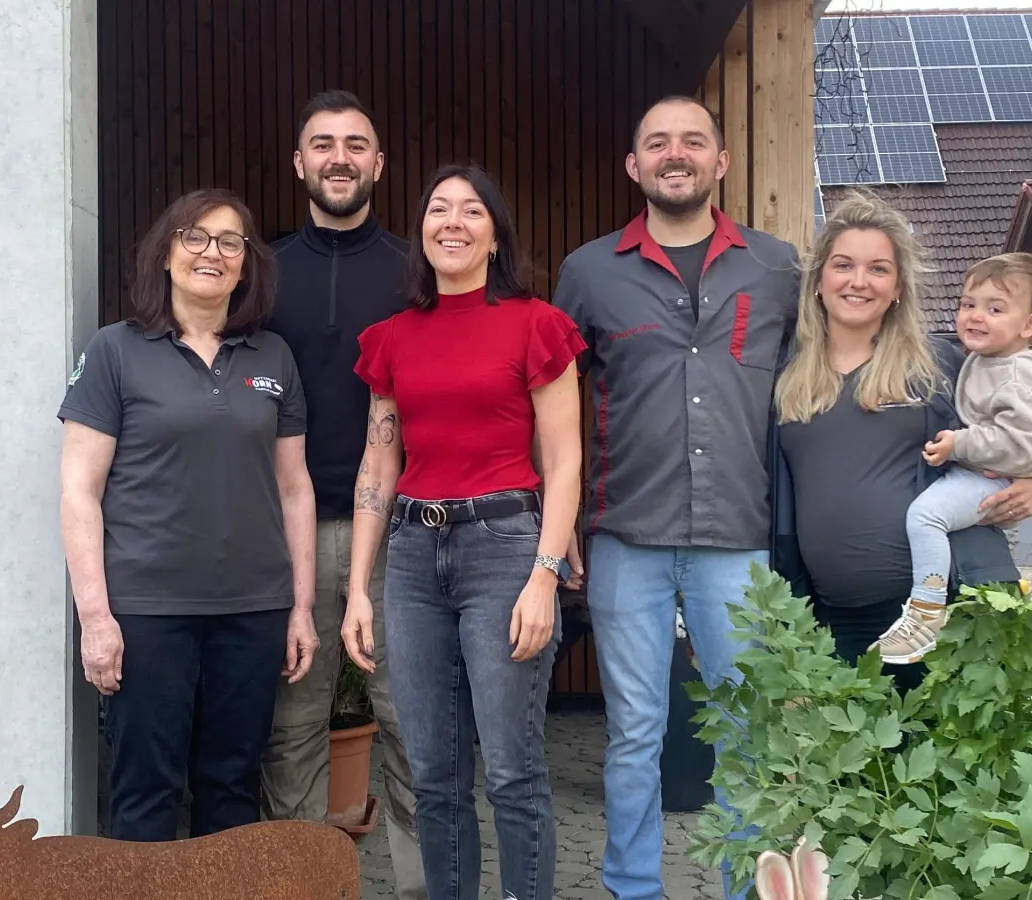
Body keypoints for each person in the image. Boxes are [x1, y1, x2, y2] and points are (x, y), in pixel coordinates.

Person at [552, 94, 800, 900]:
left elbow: (826, 386)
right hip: (628, 531)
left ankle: (742, 889)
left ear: (721, 161)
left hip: (742, 534)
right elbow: (549, 405)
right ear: (635, 166)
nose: (675, 153)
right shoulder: (588, 273)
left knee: (745, 733)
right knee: (633, 734)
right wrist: (562, 527)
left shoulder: (777, 267)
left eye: (693, 141)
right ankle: (632, 888)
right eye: (657, 143)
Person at [342, 163, 584, 900]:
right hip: (414, 558)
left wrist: (545, 574)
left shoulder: (537, 324)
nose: (452, 222)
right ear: (421, 232)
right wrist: (358, 587)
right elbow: (379, 462)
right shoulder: (390, 339)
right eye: (438, 209)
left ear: (494, 235)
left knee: (512, 769)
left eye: (471, 211)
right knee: (435, 774)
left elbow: (566, 458)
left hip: (504, 549)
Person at [57, 188, 319, 841]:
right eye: (195, 237)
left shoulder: (274, 358)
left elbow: (294, 488)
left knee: (232, 790)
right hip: (148, 613)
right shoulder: (116, 352)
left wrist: (301, 607)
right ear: (166, 254)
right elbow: (78, 491)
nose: (213, 252)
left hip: (252, 613)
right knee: (146, 790)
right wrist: (95, 619)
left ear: (247, 263)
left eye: (231, 241)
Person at [769, 191, 1032, 691]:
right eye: (843, 265)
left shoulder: (943, 365)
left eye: (878, 269)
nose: (859, 281)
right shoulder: (783, 374)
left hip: (941, 611)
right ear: (818, 280)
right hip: (832, 616)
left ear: (899, 286)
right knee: (855, 768)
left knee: (933, 765)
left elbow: (1031, 418)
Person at [261, 89, 427, 900]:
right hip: (284, 530)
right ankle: (294, 885)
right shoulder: (257, 271)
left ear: (378, 165)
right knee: (291, 731)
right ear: (299, 163)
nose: (339, 158)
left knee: (408, 723)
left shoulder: (414, 269)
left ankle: (419, 884)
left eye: (356, 145)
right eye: (322, 144)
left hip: (399, 535)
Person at [875, 251, 1032, 664]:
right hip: (988, 473)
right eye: (968, 305)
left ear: (1030, 325)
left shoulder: (1019, 372)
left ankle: (926, 613)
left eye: (995, 308)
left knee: (926, 517)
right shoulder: (985, 360)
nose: (975, 316)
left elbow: (1021, 442)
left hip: (993, 477)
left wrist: (959, 445)